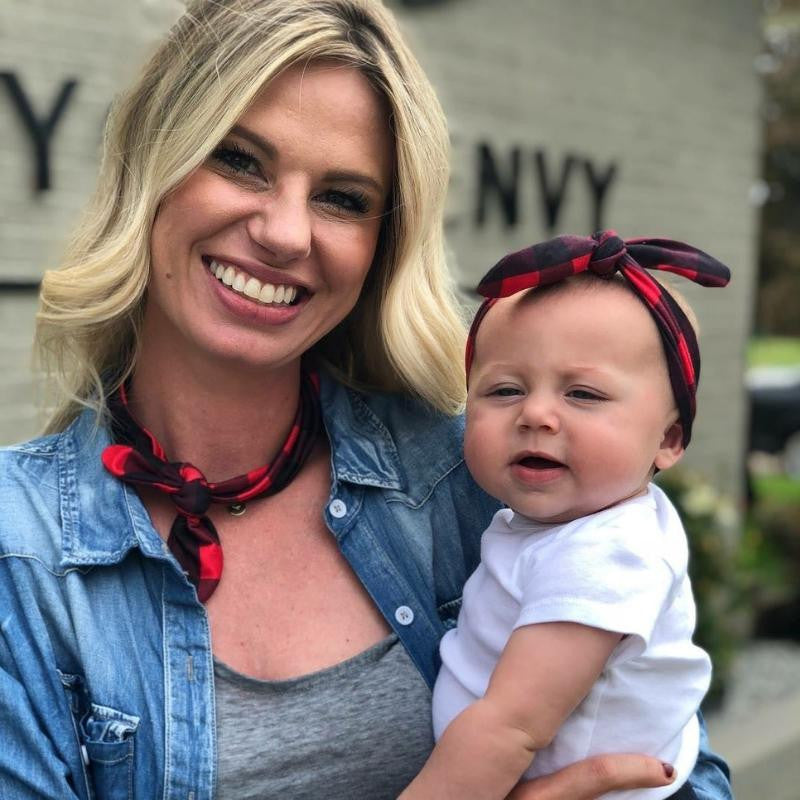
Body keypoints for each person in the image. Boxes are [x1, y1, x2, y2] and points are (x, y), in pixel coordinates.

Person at [0, 1, 731, 798]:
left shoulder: (478, 475)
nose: (285, 232)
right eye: (240, 160)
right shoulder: (21, 548)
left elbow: (674, 758)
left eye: (343, 198)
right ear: (152, 164)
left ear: (381, 248)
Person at [400, 232, 730, 800]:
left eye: (583, 394)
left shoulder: (605, 556)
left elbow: (512, 727)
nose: (536, 414)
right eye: (504, 390)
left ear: (668, 440)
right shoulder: (571, 524)